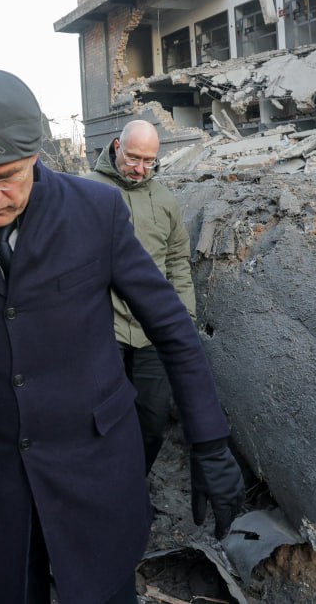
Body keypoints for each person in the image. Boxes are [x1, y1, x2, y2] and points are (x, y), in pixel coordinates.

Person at [0, 68, 245, 604]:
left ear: (35, 155)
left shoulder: (95, 212)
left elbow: (170, 324)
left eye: (7, 177)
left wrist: (210, 439)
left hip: (94, 460)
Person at [84, 119, 194, 474]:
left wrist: (185, 317)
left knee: (152, 419)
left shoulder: (164, 200)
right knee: (100, 416)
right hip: (104, 329)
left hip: (152, 330)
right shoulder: (86, 191)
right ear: (117, 146)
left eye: (149, 161)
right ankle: (103, 484)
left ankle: (133, 482)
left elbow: (177, 260)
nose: (140, 168)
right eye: (133, 158)